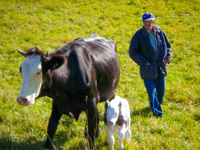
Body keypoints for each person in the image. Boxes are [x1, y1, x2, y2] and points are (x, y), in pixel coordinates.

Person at [129, 12, 172, 117]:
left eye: (149, 21)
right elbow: (132, 52)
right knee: (152, 92)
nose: (147, 24)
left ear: (153, 21)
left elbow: (167, 45)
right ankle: (157, 113)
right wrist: (145, 62)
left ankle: (155, 105)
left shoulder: (159, 31)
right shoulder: (139, 35)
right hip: (147, 68)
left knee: (161, 90)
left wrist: (168, 57)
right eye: (145, 22)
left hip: (160, 67)